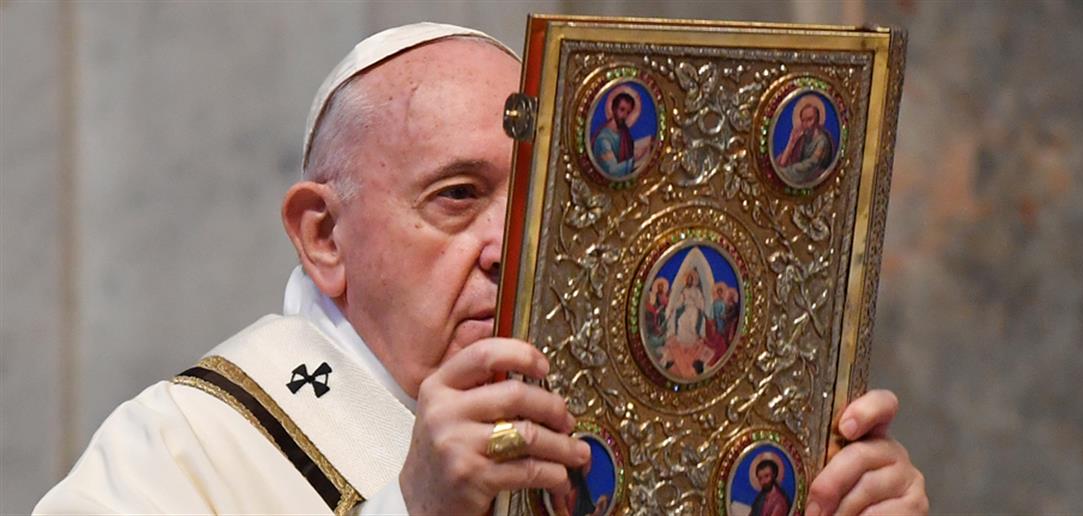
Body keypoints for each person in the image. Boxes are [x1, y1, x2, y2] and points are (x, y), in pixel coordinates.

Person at [35, 22, 927, 516]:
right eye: (457, 196)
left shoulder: (649, 438)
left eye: (538, 201)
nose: (512, 246)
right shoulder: (184, 449)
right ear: (324, 235)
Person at [591, 90, 652, 178]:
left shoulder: (623, 132)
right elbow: (612, 171)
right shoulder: (603, 139)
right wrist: (634, 160)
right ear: (613, 109)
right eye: (622, 110)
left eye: (628, 112)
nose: (624, 116)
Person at [776, 97, 835, 185]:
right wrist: (791, 142)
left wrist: (789, 170)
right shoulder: (803, 139)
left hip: (812, 175)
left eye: (809, 119)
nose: (805, 124)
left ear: (817, 120)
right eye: (803, 120)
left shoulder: (822, 140)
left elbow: (812, 163)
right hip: (800, 173)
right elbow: (782, 163)